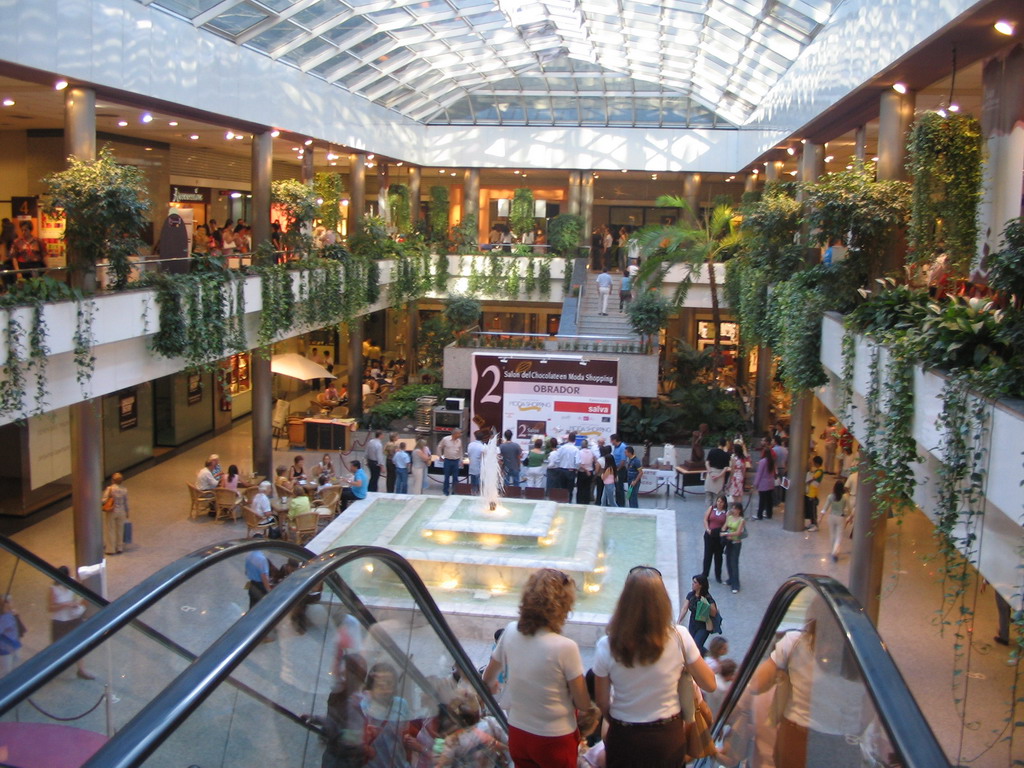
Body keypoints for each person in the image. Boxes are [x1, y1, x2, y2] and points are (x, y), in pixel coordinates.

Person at [593, 566, 716, 768]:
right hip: (666, 736)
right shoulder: (680, 637)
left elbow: (602, 701)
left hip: (624, 735)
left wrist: (621, 721)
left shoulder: (607, 644)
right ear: (663, 600)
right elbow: (709, 683)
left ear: (625, 601)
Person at [483, 568, 598, 768]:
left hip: (518, 733)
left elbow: (487, 679)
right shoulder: (565, 647)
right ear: (563, 605)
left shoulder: (510, 631)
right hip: (554, 738)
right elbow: (582, 702)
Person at [306, 653, 370, 768]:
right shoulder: (336, 695)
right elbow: (334, 719)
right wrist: (316, 719)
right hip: (332, 756)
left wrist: (332, 733)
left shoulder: (360, 705)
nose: (339, 678)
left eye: (344, 675)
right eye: (339, 674)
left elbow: (354, 740)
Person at [361, 662, 412, 768]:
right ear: (371, 687)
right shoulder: (363, 707)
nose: (386, 690)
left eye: (389, 684)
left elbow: (406, 735)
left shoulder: (402, 704)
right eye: (380, 685)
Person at [49, 566, 93, 679]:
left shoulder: (73, 583)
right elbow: (50, 607)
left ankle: (81, 670)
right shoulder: (54, 589)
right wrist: (66, 604)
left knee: (78, 645)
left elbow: (82, 597)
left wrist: (78, 604)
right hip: (60, 621)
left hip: (74, 619)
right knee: (59, 647)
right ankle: (55, 668)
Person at [679, 574, 721, 654]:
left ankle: (708, 657)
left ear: (700, 585)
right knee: (692, 645)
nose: (692, 584)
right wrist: (679, 621)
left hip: (703, 625)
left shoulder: (707, 597)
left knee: (696, 646)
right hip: (693, 623)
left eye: (695, 582)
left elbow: (714, 612)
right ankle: (708, 656)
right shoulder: (690, 595)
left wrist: (706, 606)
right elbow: (684, 608)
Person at [101, 472, 129, 555]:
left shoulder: (110, 489)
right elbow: (126, 502)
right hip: (122, 511)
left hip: (112, 511)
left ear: (113, 480)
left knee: (110, 529)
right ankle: (119, 547)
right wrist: (127, 512)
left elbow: (104, 500)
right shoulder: (124, 490)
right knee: (120, 530)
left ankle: (110, 549)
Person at [702, 494, 728, 584]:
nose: (719, 503)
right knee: (707, 555)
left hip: (719, 536)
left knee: (718, 556)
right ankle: (705, 573)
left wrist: (721, 531)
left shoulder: (726, 513)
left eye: (721, 502)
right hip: (709, 535)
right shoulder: (711, 508)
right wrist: (707, 529)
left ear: (724, 503)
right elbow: (705, 519)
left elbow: (726, 525)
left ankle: (718, 575)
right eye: (718, 501)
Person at [824, 479, 852, 562]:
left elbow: (825, 508)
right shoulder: (845, 497)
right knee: (839, 537)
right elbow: (849, 509)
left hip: (831, 517)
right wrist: (848, 516)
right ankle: (835, 552)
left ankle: (833, 550)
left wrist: (820, 517)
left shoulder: (830, 496)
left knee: (832, 535)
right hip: (840, 517)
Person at [722, 502, 746, 593]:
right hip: (729, 542)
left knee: (734, 562)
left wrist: (728, 534)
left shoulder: (741, 520)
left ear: (739, 510)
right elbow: (724, 527)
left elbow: (739, 532)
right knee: (728, 561)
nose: (733, 510)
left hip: (736, 542)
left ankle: (736, 584)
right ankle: (730, 579)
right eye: (732, 508)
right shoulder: (730, 518)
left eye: (735, 508)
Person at [244, 544, 273, 610]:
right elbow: (264, 576)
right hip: (260, 586)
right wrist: (268, 590)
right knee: (262, 607)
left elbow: (246, 572)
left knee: (252, 607)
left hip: (251, 585)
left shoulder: (248, 555)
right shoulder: (262, 559)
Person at [0, 595, 23, 676]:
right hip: (5, 648)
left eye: (10, 601)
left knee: (16, 668)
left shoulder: (12, 613)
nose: (10, 603)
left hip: (16, 645)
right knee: (6, 671)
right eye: (7, 602)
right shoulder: (2, 618)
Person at [705, 437, 730, 507]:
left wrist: (710, 472)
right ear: (725, 445)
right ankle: (714, 513)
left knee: (708, 496)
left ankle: (708, 512)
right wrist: (719, 475)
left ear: (718, 443)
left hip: (711, 473)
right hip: (720, 475)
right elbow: (726, 468)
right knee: (717, 497)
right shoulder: (726, 455)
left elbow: (707, 463)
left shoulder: (712, 451)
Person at [753, 443, 776, 521]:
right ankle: (769, 514)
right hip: (771, 483)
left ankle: (760, 515)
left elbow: (759, 474)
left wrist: (755, 483)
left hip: (763, 484)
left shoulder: (762, 462)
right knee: (769, 500)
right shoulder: (772, 461)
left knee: (762, 501)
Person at [438, 429, 464, 496]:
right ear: (455, 434)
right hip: (447, 460)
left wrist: (461, 460)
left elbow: (460, 451)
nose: (460, 435)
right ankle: (445, 491)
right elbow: (439, 447)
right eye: (459, 433)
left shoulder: (459, 441)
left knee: (455, 477)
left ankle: (455, 491)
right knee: (447, 476)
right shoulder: (445, 439)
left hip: (456, 460)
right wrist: (440, 456)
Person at [804, 455, 825, 532]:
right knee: (810, 510)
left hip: (813, 493)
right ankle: (812, 523)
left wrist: (806, 481)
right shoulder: (817, 471)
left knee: (813, 510)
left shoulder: (819, 471)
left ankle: (815, 524)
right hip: (810, 492)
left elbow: (812, 478)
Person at [727, 441, 747, 506]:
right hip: (740, 476)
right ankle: (739, 507)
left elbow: (732, 470)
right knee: (739, 494)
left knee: (734, 494)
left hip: (735, 477)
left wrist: (729, 482)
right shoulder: (742, 459)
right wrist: (743, 478)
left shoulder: (733, 458)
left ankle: (735, 507)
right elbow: (744, 469)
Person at [576, 439, 596, 504]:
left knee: (580, 488)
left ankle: (580, 501)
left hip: (582, 472)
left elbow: (579, 463)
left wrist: (585, 470)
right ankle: (586, 501)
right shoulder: (591, 452)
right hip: (590, 471)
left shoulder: (579, 452)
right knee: (587, 488)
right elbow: (594, 460)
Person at [610, 434, 627, 507]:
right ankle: (617, 502)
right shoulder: (616, 447)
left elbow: (623, 460)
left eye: (611, 440)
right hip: (615, 468)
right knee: (617, 487)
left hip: (620, 469)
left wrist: (618, 469)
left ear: (614, 440)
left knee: (619, 487)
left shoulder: (623, 447)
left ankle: (621, 504)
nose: (611, 442)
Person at [467, 430, 486, 494]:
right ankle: (478, 493)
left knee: (473, 482)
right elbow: (484, 457)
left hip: (472, 465)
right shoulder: (482, 447)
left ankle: (473, 492)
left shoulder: (470, 445)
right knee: (479, 482)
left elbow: (469, 454)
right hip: (479, 467)